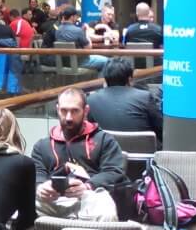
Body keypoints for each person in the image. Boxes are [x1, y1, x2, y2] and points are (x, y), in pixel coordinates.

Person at [31, 87, 128, 220]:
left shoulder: (104, 140)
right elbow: (37, 173)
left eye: (75, 111)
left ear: (86, 111)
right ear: (57, 109)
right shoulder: (42, 146)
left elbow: (113, 171)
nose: (69, 117)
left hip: (90, 197)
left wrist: (88, 186)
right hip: (53, 200)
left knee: (106, 212)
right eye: (64, 111)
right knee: (21, 202)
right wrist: (41, 186)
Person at [87, 57, 162, 141]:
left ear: (105, 80)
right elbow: (161, 130)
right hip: (143, 149)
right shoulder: (145, 97)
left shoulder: (91, 100)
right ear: (130, 79)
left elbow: (90, 130)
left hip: (105, 148)